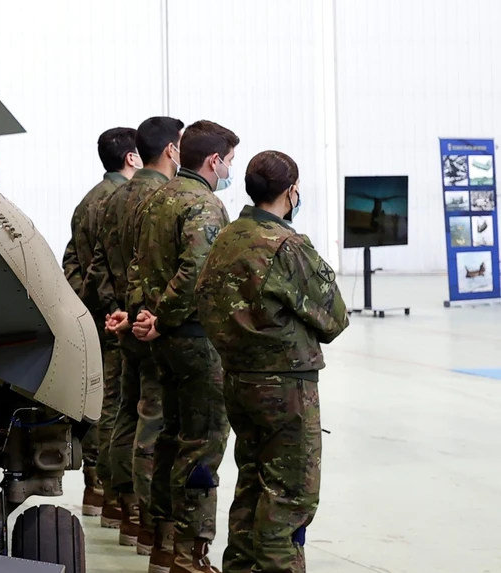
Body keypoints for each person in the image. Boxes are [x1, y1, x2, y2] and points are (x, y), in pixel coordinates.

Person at [198, 151, 348, 573]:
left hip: (238, 381)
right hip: (286, 389)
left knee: (251, 483)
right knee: (288, 495)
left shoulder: (226, 237)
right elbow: (334, 316)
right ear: (290, 191)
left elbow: (205, 303)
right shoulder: (288, 246)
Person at [128, 120, 240, 573]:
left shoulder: (155, 197)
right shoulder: (205, 205)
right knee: (203, 443)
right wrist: (166, 317)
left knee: (170, 438)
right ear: (214, 161)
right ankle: (189, 553)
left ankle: (162, 540)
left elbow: (137, 263)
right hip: (194, 341)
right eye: (229, 161)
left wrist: (145, 316)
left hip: (163, 342)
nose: (229, 168)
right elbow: (196, 271)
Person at [89, 115, 182, 554]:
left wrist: (116, 310)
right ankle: (151, 524)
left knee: (124, 410)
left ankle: (121, 507)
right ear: (169, 149)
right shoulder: (165, 199)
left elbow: (98, 266)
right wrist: (149, 315)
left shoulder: (113, 199)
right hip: (153, 326)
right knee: (154, 420)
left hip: (126, 320)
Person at [63, 126, 141, 518]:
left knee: (101, 400)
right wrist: (113, 307)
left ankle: (95, 485)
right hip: (120, 317)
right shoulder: (124, 202)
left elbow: (73, 265)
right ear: (131, 157)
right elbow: (106, 266)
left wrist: (88, 307)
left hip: (97, 316)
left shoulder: (88, 201)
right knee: (121, 403)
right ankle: (116, 491)